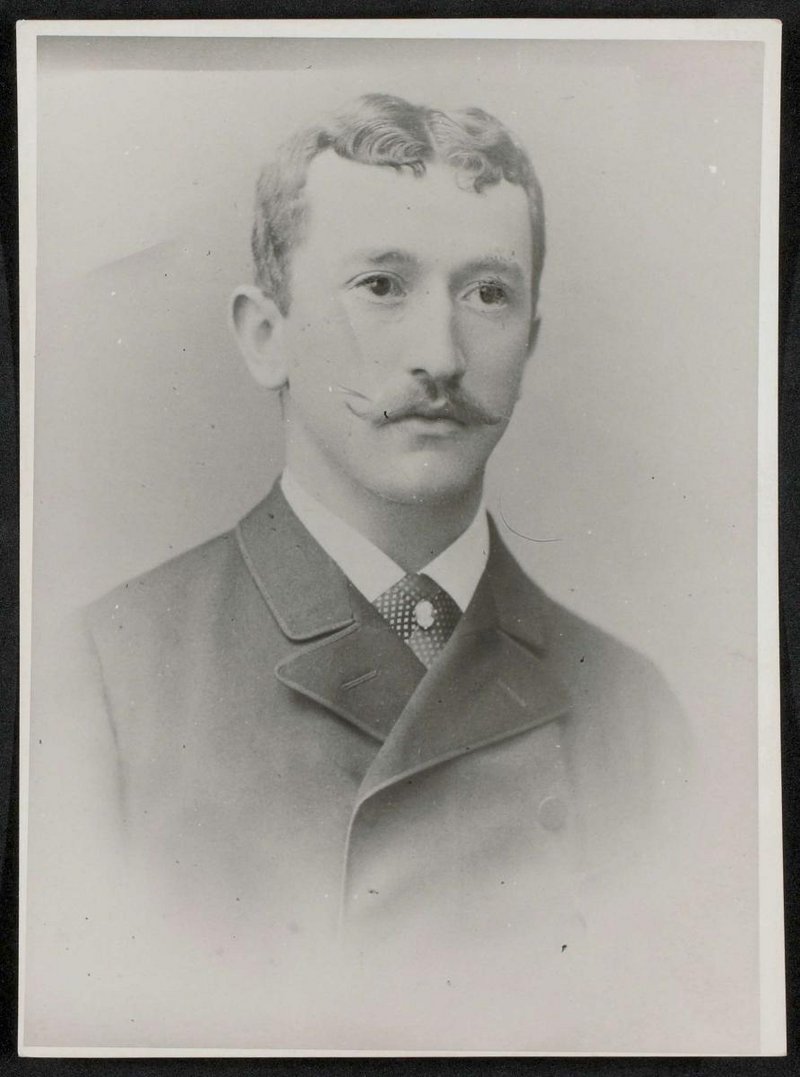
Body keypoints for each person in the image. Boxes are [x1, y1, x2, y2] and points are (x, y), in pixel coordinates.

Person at [33, 93, 692, 1047]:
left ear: (532, 341)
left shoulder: (636, 707)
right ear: (266, 336)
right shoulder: (97, 679)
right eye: (382, 285)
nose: (442, 357)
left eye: (488, 293)